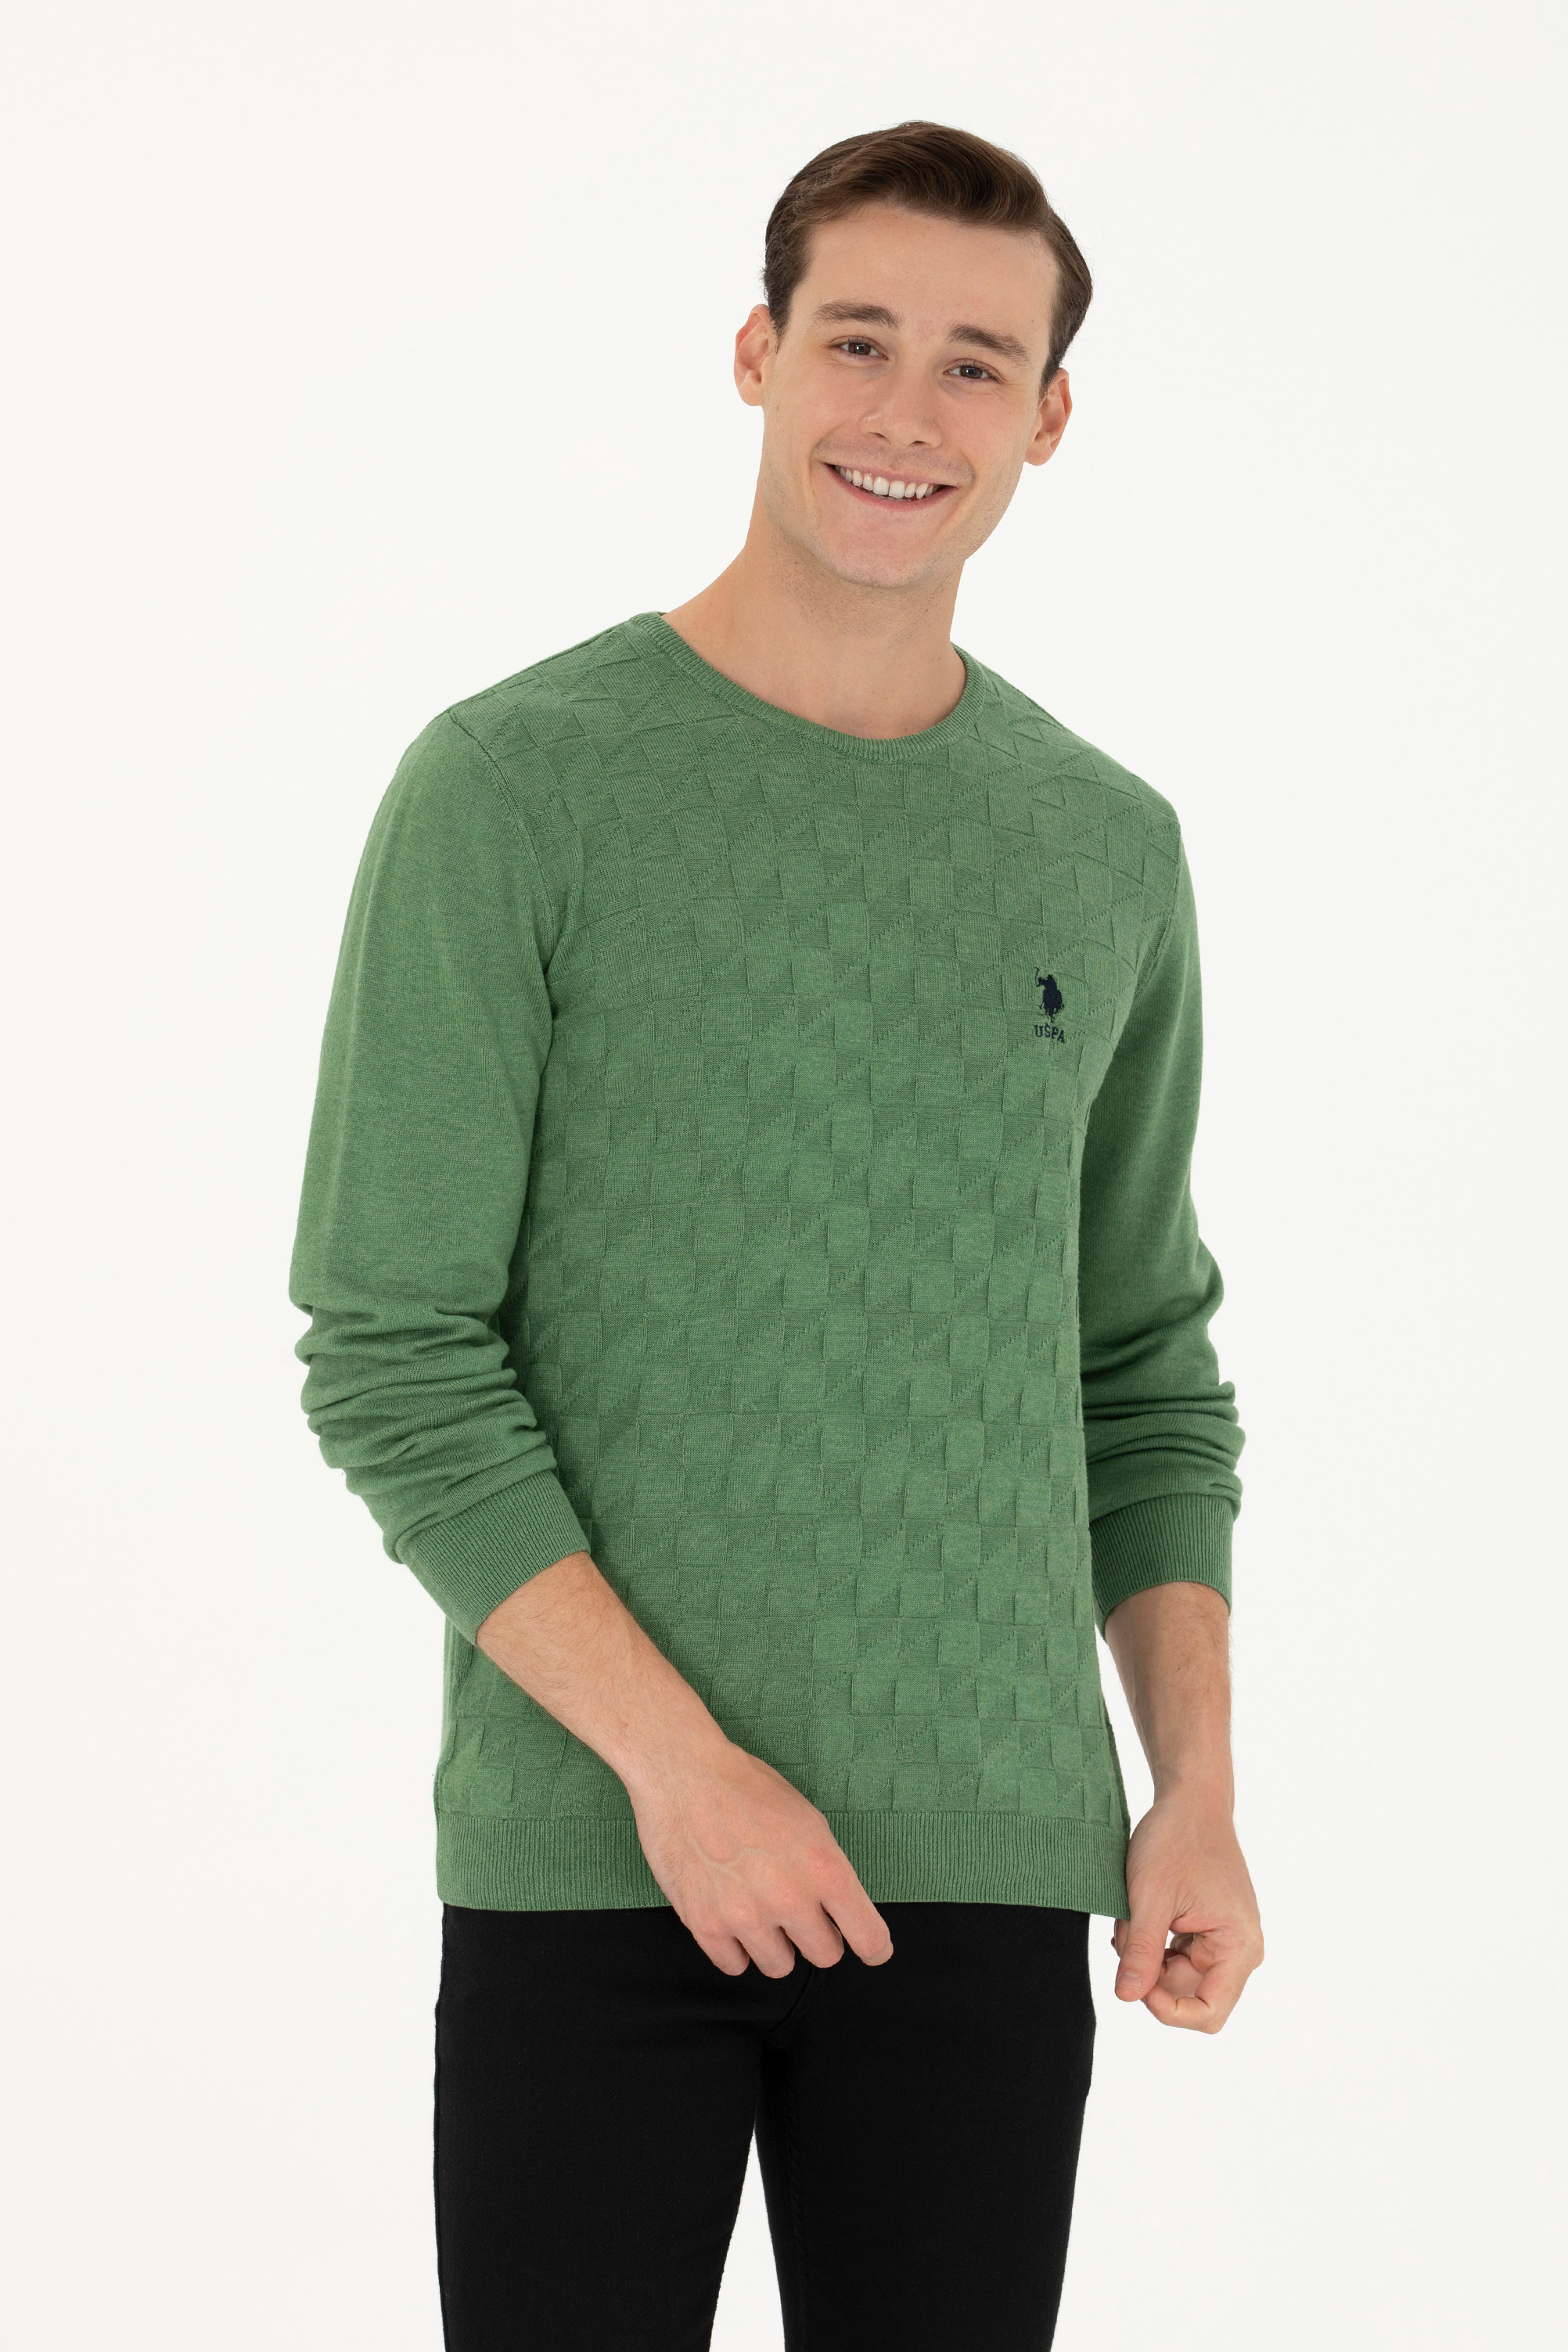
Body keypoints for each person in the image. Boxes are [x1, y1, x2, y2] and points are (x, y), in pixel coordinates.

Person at [289, 118, 1264, 2352]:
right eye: (855, 340)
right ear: (755, 353)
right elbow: (394, 1346)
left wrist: (1193, 1789)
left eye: (974, 363)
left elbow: (1136, 1365)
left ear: (1047, 417)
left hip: (988, 1867)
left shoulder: (1102, 844)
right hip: (595, 1853)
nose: (905, 411)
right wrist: (679, 1771)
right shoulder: (512, 788)